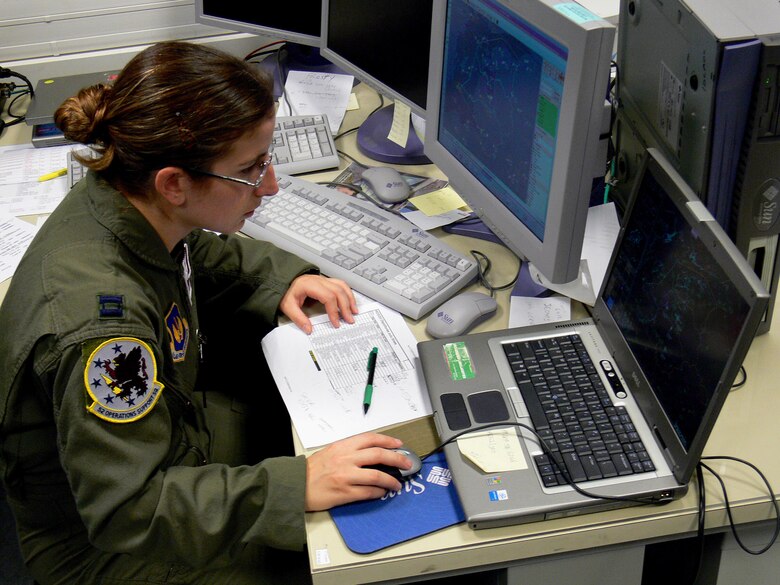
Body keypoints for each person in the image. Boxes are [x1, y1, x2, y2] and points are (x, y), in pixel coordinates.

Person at [0, 41, 414, 585]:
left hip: (171, 440)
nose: (269, 186)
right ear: (174, 183)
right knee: (340, 553)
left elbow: (197, 250)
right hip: (108, 543)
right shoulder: (106, 339)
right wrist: (298, 485)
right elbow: (131, 508)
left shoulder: (126, 193)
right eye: (250, 169)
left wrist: (283, 277)